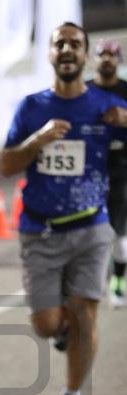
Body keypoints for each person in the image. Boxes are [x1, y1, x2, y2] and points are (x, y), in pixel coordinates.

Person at [1, 22, 127, 395]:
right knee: (46, 324)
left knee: (85, 313)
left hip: (92, 226)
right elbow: (7, 165)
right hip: (40, 230)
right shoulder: (31, 107)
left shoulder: (107, 105)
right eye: (60, 44)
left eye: (76, 43)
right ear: (51, 54)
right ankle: (63, 330)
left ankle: (72, 394)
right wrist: (36, 140)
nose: (68, 49)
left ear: (86, 55)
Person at [88, 40, 127, 307]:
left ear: (119, 60)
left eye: (112, 54)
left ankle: (118, 283)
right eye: (102, 54)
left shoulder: (125, 91)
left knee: (118, 233)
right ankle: (95, 280)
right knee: (89, 232)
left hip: (121, 169)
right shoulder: (83, 91)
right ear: (93, 59)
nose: (106, 58)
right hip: (89, 172)